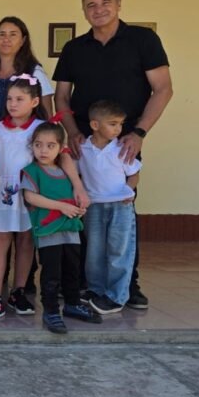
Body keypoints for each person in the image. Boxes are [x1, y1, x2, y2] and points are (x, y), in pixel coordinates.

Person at [54, 0, 173, 310]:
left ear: (119, 5)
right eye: (91, 5)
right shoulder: (75, 48)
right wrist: (73, 131)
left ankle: (128, 286)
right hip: (83, 146)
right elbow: (62, 97)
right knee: (82, 211)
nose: (99, 10)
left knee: (122, 218)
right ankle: (81, 283)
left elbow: (163, 89)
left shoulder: (142, 40)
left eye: (106, 2)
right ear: (84, 10)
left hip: (124, 146)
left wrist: (138, 133)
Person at [0, 75, 88, 322]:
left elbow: (63, 156)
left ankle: (18, 291)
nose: (13, 104)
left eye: (20, 99)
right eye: (9, 98)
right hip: (1, 194)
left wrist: (78, 186)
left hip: (33, 193)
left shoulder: (41, 128)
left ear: (35, 101)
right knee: (0, 241)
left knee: (27, 240)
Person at [21, 122, 102, 334]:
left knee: (72, 270)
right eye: (38, 145)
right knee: (51, 273)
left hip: (71, 230)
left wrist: (77, 209)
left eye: (50, 145)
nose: (43, 150)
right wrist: (62, 207)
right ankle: (50, 310)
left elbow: (74, 198)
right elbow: (30, 197)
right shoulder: (32, 171)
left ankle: (73, 303)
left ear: (60, 147)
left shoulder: (67, 172)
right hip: (49, 231)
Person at [76, 100, 142, 315]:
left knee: (119, 249)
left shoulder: (121, 149)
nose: (118, 129)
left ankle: (116, 296)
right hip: (94, 206)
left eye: (120, 124)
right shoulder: (83, 148)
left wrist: (128, 192)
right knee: (94, 251)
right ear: (95, 125)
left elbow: (134, 173)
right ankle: (96, 290)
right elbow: (74, 172)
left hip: (120, 206)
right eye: (112, 124)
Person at [0, 16, 55, 124]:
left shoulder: (35, 73)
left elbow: (47, 117)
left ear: (23, 41)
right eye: (2, 34)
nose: (6, 39)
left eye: (13, 34)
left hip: (24, 139)